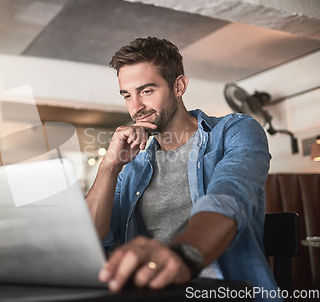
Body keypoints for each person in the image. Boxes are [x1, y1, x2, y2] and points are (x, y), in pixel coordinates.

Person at [85, 37, 279, 296]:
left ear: (179, 86)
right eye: (127, 95)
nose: (136, 107)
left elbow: (229, 198)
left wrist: (180, 257)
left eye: (146, 91)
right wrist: (110, 166)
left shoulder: (235, 131)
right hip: (153, 294)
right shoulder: (132, 168)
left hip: (227, 292)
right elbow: (90, 236)